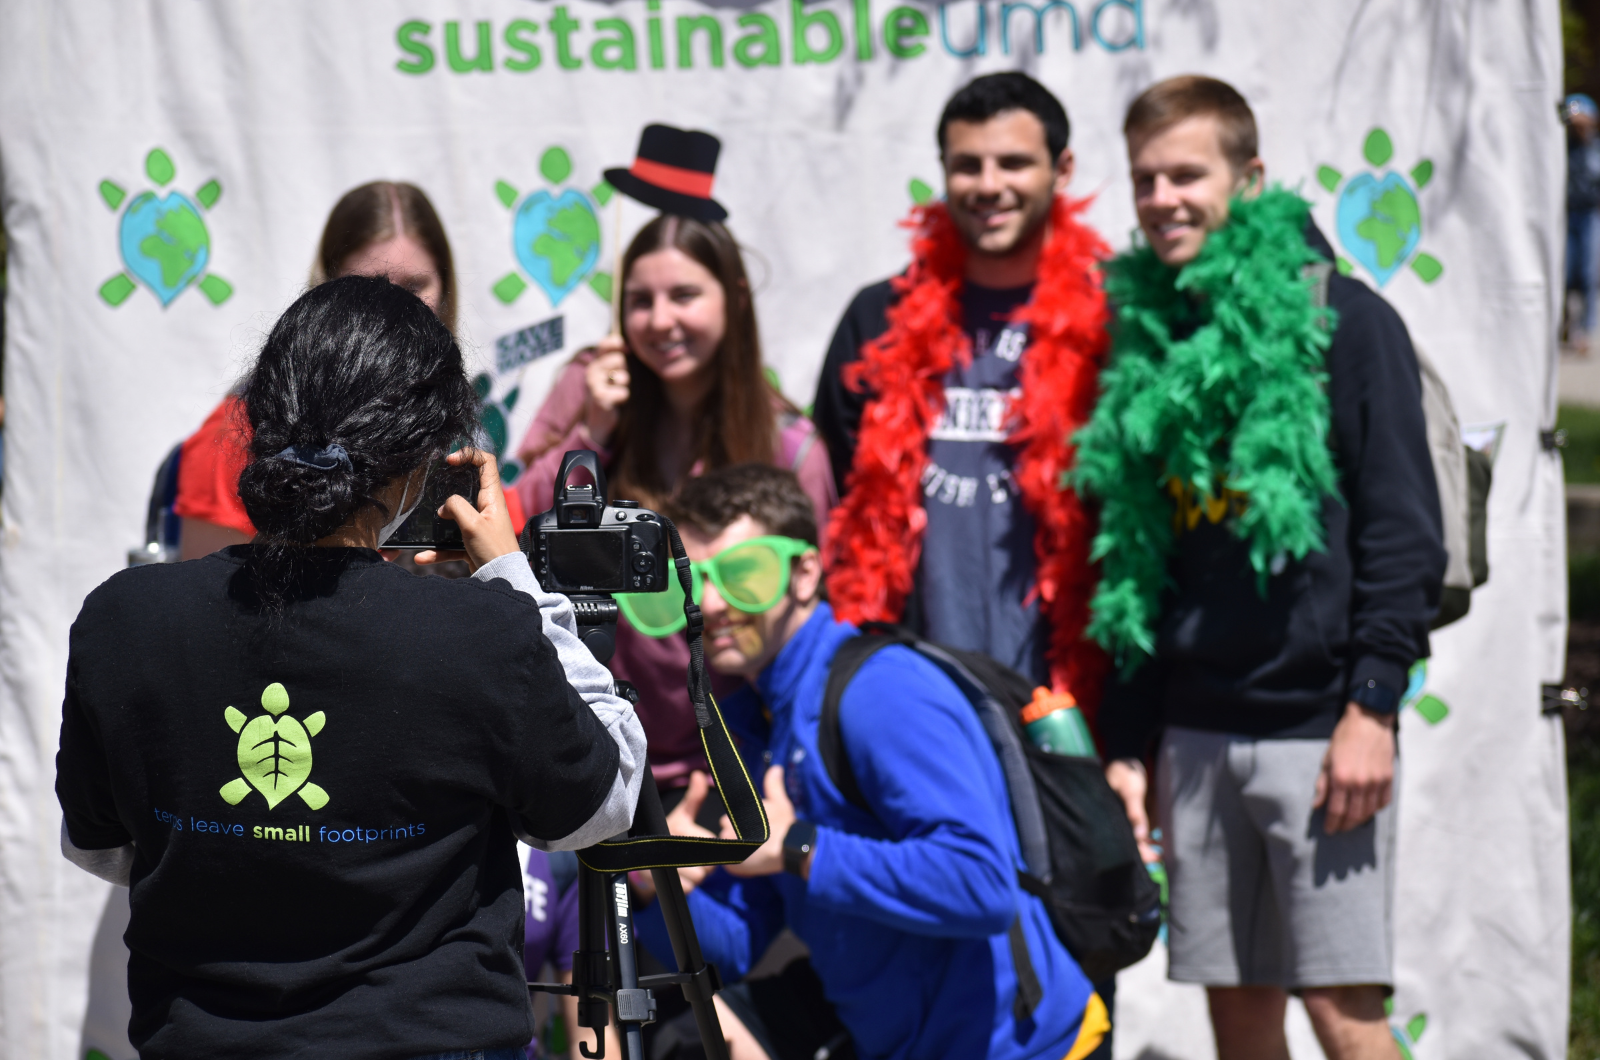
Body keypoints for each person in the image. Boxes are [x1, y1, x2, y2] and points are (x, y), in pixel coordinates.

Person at [56, 275, 645, 1060]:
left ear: (261, 424)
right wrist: (511, 576)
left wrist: (259, 848)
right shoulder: (476, 631)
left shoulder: (122, 618)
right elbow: (602, 800)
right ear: (420, 465)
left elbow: (101, 846)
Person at [1076, 77, 1444, 1060]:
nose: (1162, 199)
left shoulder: (1345, 322)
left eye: (1186, 174)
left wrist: (1371, 703)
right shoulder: (1151, 340)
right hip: (1194, 736)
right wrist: (1128, 736)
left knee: (1342, 1012)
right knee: (1238, 1017)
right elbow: (1142, 561)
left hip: (1319, 732)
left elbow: (1403, 532)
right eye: (1145, 179)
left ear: (1250, 180)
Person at [632, 463, 1107, 1060]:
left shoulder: (879, 693)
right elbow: (738, 939)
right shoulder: (756, 723)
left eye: (742, 573)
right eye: (691, 579)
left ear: (804, 573)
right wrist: (655, 881)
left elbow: (982, 885)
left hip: (1033, 1047)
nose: (712, 602)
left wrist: (800, 849)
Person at [515, 125, 836, 800]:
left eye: (684, 295)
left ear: (734, 298)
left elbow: (809, 622)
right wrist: (592, 434)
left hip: (732, 769)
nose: (660, 320)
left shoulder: (790, 446)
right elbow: (519, 530)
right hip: (595, 750)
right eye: (640, 300)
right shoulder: (590, 387)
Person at [813, 71, 1108, 707]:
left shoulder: (1110, 319)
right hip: (916, 695)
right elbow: (836, 502)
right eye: (968, 165)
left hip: (1072, 693)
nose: (989, 185)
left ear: (1062, 169)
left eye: (1013, 163)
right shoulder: (877, 320)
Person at [171, 181, 529, 560]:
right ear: (325, 286)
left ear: (445, 285)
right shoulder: (239, 427)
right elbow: (212, 599)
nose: (391, 307)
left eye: (415, 286)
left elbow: (512, 556)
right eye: (366, 285)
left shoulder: (462, 421)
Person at [1565, 94, 1600, 352]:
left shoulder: (1593, 150)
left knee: (1589, 274)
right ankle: (1568, 327)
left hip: (1591, 214)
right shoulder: (1562, 149)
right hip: (1566, 215)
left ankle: (1585, 332)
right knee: (1566, 274)